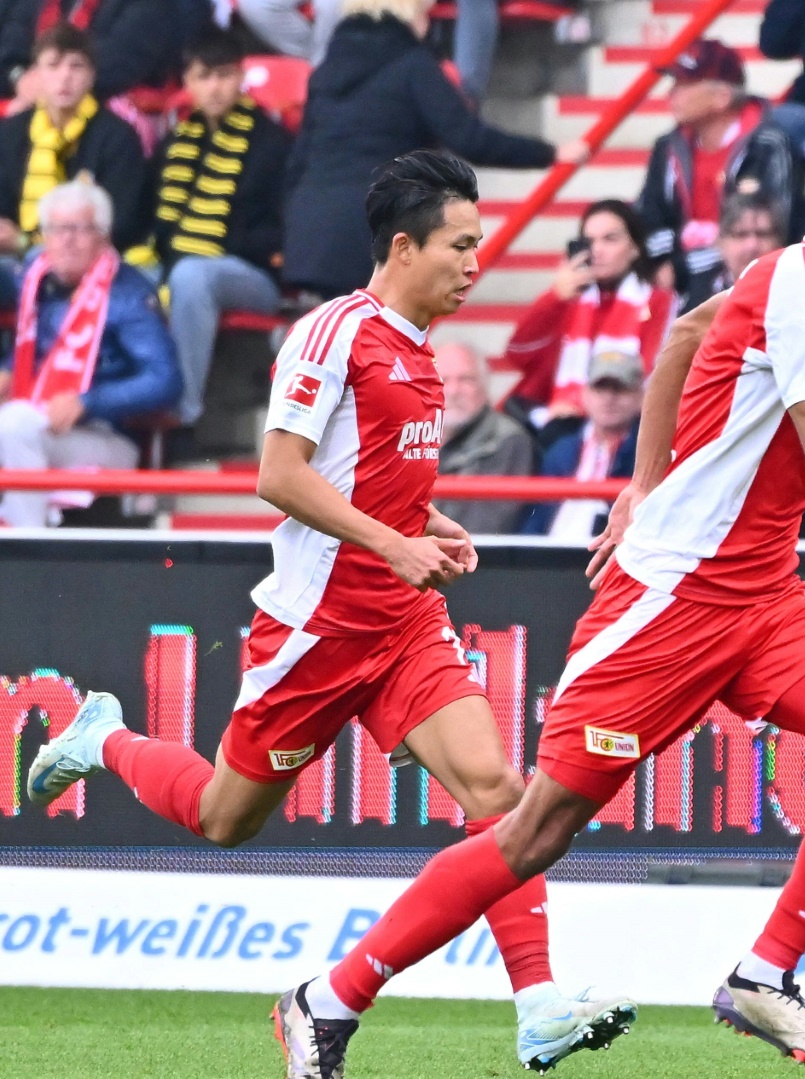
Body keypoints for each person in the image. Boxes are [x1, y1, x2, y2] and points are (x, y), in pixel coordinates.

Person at [268, 139, 805, 1073]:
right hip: (671, 602)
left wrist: (639, 483)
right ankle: (327, 999)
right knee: (534, 831)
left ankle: (764, 975)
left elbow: (686, 338)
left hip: (764, 596)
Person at [21, 153, 634, 1076]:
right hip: (315, 630)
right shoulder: (331, 335)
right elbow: (279, 474)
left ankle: (537, 1004)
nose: (476, 263)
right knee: (227, 819)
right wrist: (392, 542)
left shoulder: (422, 349)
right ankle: (103, 735)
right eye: (462, 246)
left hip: (401, 624)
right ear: (404, 246)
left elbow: (370, 473)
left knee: (501, 797)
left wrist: (428, 522)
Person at [281, 0, 581, 300]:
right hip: (374, 226)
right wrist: (548, 153)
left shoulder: (324, 74)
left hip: (312, 232)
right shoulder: (412, 64)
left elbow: (297, 162)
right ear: (410, 14)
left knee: (340, 337)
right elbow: (469, 139)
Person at [0, 178, 178, 527]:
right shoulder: (38, 281)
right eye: (56, 229)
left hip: (106, 435)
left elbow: (165, 379)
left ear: (104, 236)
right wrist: (7, 371)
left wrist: (89, 400)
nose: (66, 240)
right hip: (39, 421)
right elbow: (42, 354)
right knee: (15, 423)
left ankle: (28, 553)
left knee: (14, 426)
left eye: (80, 229)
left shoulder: (128, 293)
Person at [155, 29, 294, 435]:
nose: (214, 87)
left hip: (255, 276)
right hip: (181, 267)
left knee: (192, 274)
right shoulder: (175, 142)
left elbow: (283, 227)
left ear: (240, 78)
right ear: (188, 83)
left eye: (224, 75)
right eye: (203, 76)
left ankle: (187, 413)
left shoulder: (273, 143)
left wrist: (233, 244)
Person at [637, 39, 805, 301]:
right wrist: (663, 263)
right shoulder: (667, 147)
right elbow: (648, 220)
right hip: (678, 287)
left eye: (684, 85)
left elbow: (768, 236)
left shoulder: (769, 145)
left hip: (756, 288)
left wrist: (684, 266)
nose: (670, 95)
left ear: (722, 97)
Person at [500, 200, 671, 438]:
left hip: (626, 423)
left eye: (610, 239)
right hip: (560, 423)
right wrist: (555, 298)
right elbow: (518, 354)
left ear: (635, 248)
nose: (597, 250)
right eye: (589, 241)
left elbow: (653, 375)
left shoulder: (658, 302)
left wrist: (586, 404)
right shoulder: (566, 300)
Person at [0, 24, 148, 256]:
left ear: (92, 76)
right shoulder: (11, 132)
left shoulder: (118, 137)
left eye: (76, 66)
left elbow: (122, 223)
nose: (65, 77)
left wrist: (27, 244)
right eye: (53, 65)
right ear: (36, 74)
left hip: (88, 259)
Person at [521, 354, 643, 540]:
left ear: (640, 397)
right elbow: (536, 519)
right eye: (599, 388)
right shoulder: (560, 449)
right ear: (585, 394)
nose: (608, 398)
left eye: (620, 389)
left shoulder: (647, 454)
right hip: (548, 558)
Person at [0, 0, 195, 101]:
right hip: (30, 99)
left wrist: (52, 84)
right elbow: (11, 45)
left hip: (105, 105)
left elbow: (120, 63)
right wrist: (19, 78)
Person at [436, 342, 536, 537]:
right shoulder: (411, 436)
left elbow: (480, 528)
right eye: (443, 380)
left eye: (466, 380)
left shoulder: (509, 441)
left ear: (485, 384)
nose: (453, 391)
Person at [683, 191, 784, 309]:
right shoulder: (699, 294)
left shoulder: (797, 293)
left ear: (779, 242)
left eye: (762, 234)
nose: (752, 246)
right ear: (720, 242)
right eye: (741, 235)